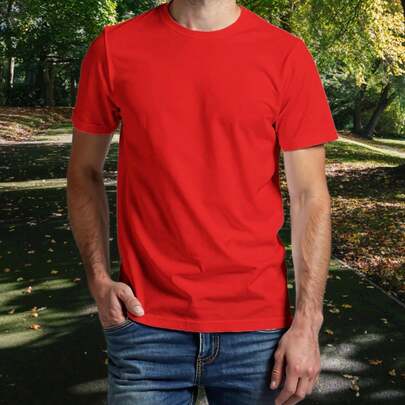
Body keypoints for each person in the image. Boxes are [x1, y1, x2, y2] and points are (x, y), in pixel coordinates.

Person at [67, 0, 339, 404]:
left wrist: (308, 321)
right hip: (145, 325)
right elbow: (83, 171)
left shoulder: (286, 55)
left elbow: (310, 196)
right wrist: (98, 278)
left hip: (258, 332)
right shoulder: (113, 48)